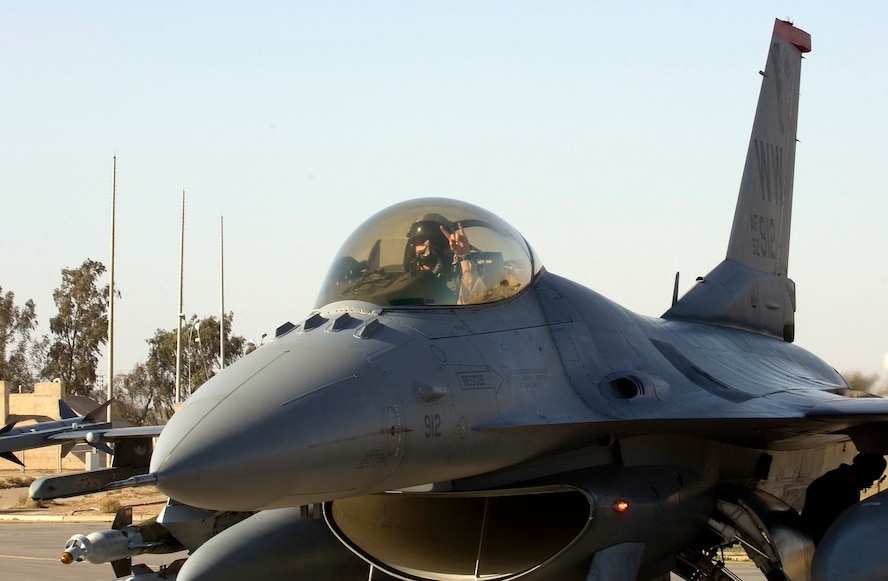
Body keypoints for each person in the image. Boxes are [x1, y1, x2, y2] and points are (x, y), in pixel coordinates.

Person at [800, 452, 887, 544]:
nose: (870, 484)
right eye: (870, 478)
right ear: (863, 471)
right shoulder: (828, 486)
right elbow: (825, 523)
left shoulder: (851, 488)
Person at [406, 214, 488, 305]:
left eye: (436, 240)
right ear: (413, 247)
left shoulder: (459, 278)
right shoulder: (403, 280)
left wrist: (464, 256)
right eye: (420, 239)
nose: (428, 244)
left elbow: (474, 303)